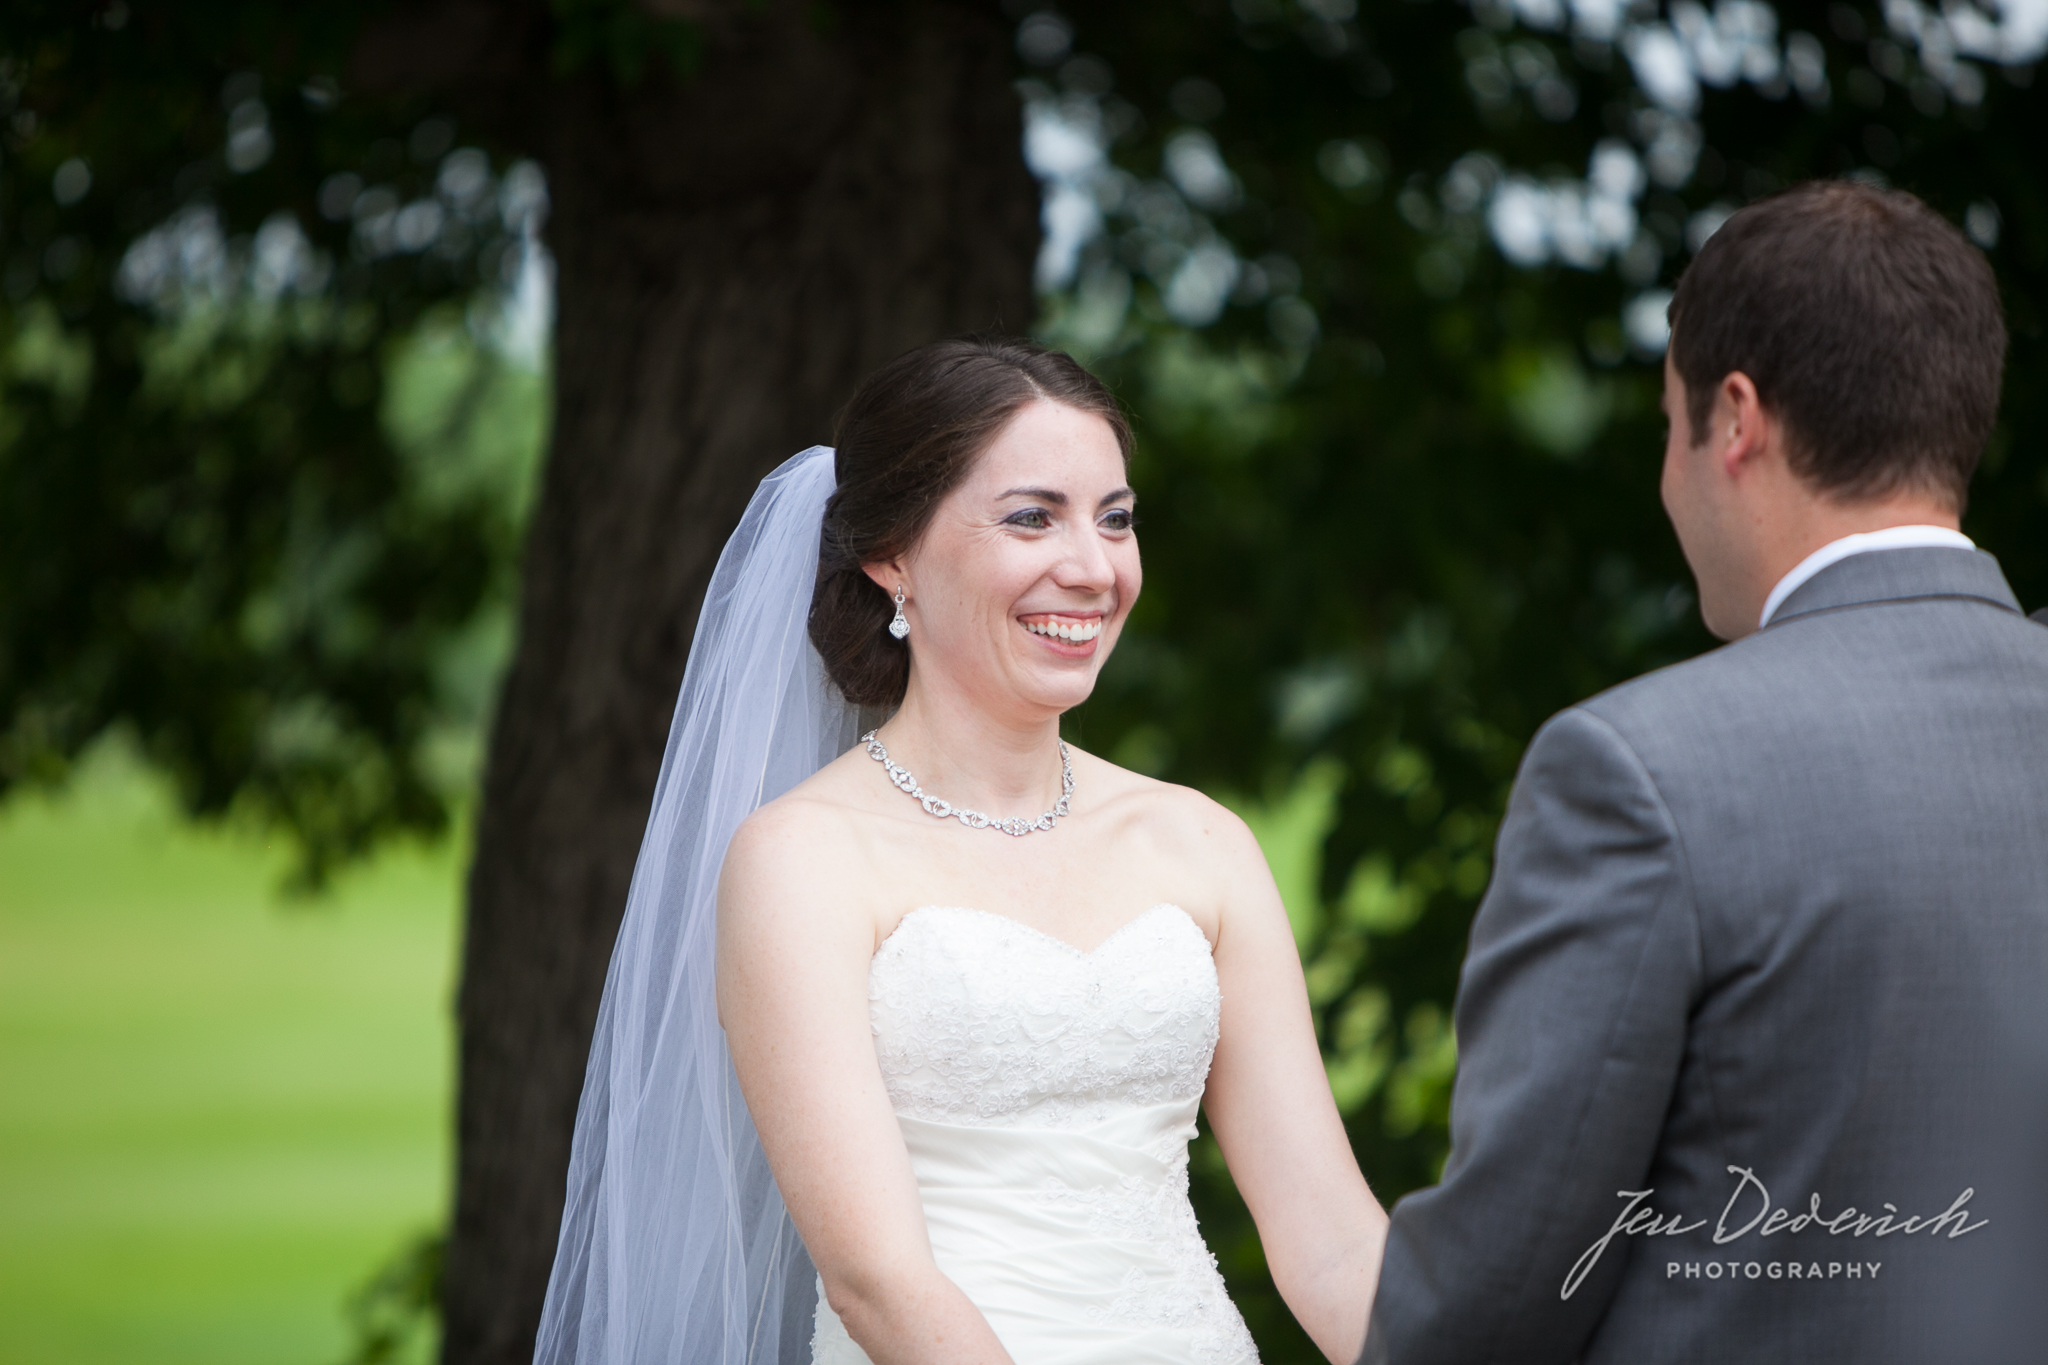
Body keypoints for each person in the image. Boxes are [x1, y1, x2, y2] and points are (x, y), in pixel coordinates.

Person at [533, 336, 1387, 1365]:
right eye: (1031, 517)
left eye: (1114, 520)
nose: (1090, 567)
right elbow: (877, 1280)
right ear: (891, 553)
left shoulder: (1198, 841)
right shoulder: (801, 859)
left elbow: (1333, 1242)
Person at [1357, 181, 2048, 1364]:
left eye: (1662, 426)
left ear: (1732, 419)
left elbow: (1500, 1288)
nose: (1666, 480)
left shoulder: (1638, 774)